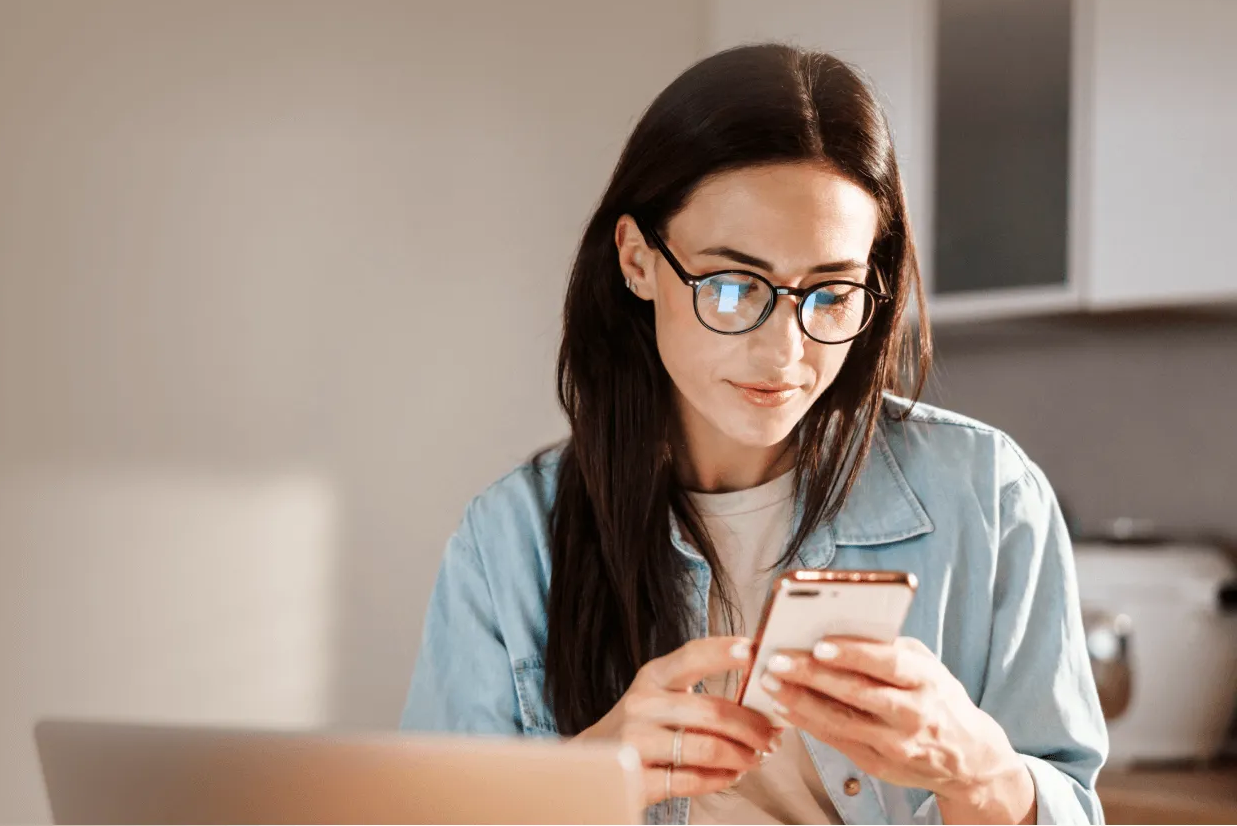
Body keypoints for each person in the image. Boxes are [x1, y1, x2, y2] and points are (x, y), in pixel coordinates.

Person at [400, 43, 1106, 825]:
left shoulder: (990, 497)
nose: (786, 352)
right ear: (638, 260)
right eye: (733, 286)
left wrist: (978, 771)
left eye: (831, 293)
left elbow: (1066, 803)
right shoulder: (510, 541)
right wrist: (593, 775)